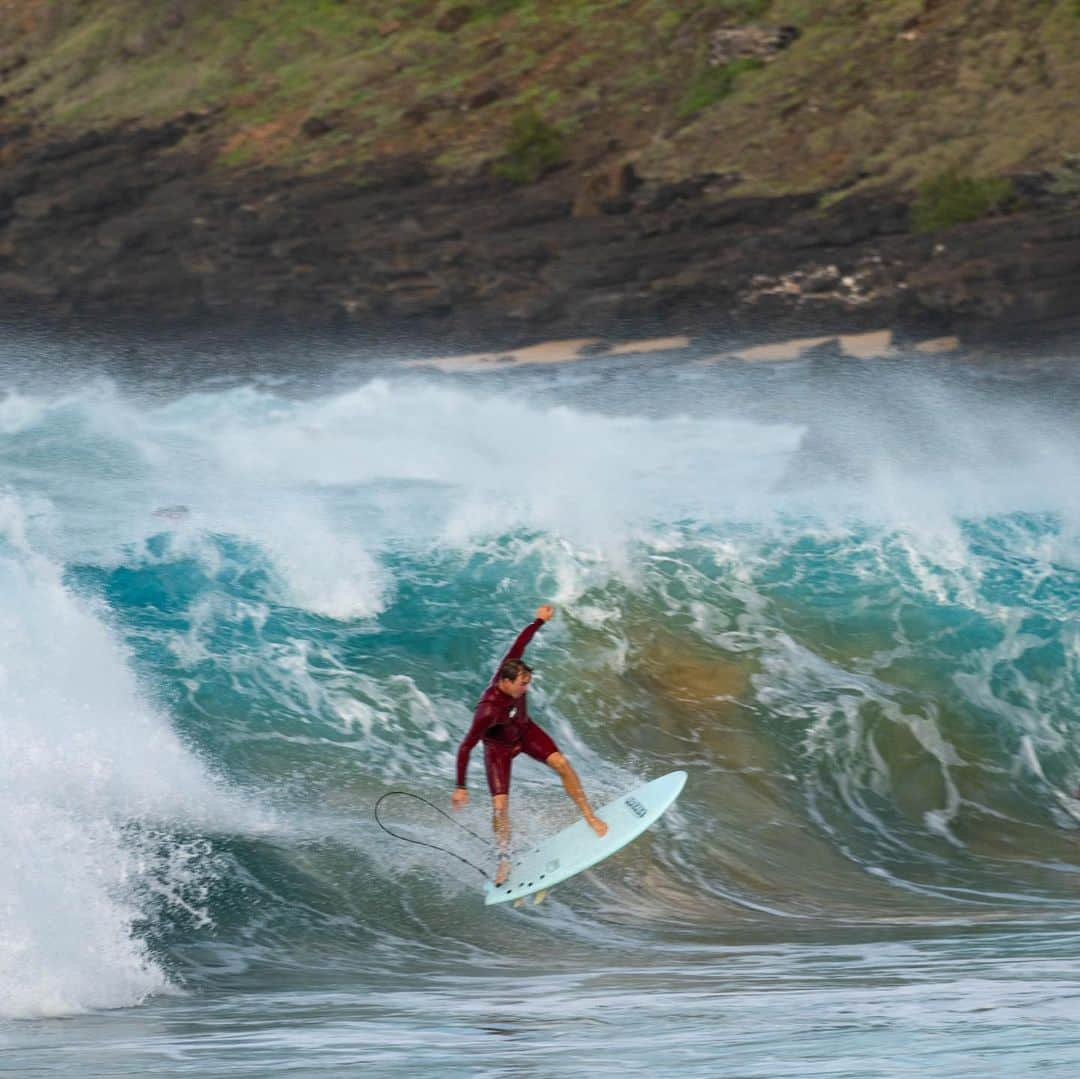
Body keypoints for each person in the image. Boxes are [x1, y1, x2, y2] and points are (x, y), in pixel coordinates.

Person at [452, 605, 608, 886]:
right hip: (498, 749)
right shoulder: (487, 710)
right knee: (500, 807)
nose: (526, 688)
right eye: (523, 685)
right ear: (506, 682)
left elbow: (520, 642)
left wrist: (539, 620)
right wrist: (461, 786)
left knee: (561, 763)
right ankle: (503, 860)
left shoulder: (511, 666)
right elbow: (466, 746)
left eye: (528, 682)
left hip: (524, 731)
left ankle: (588, 815)